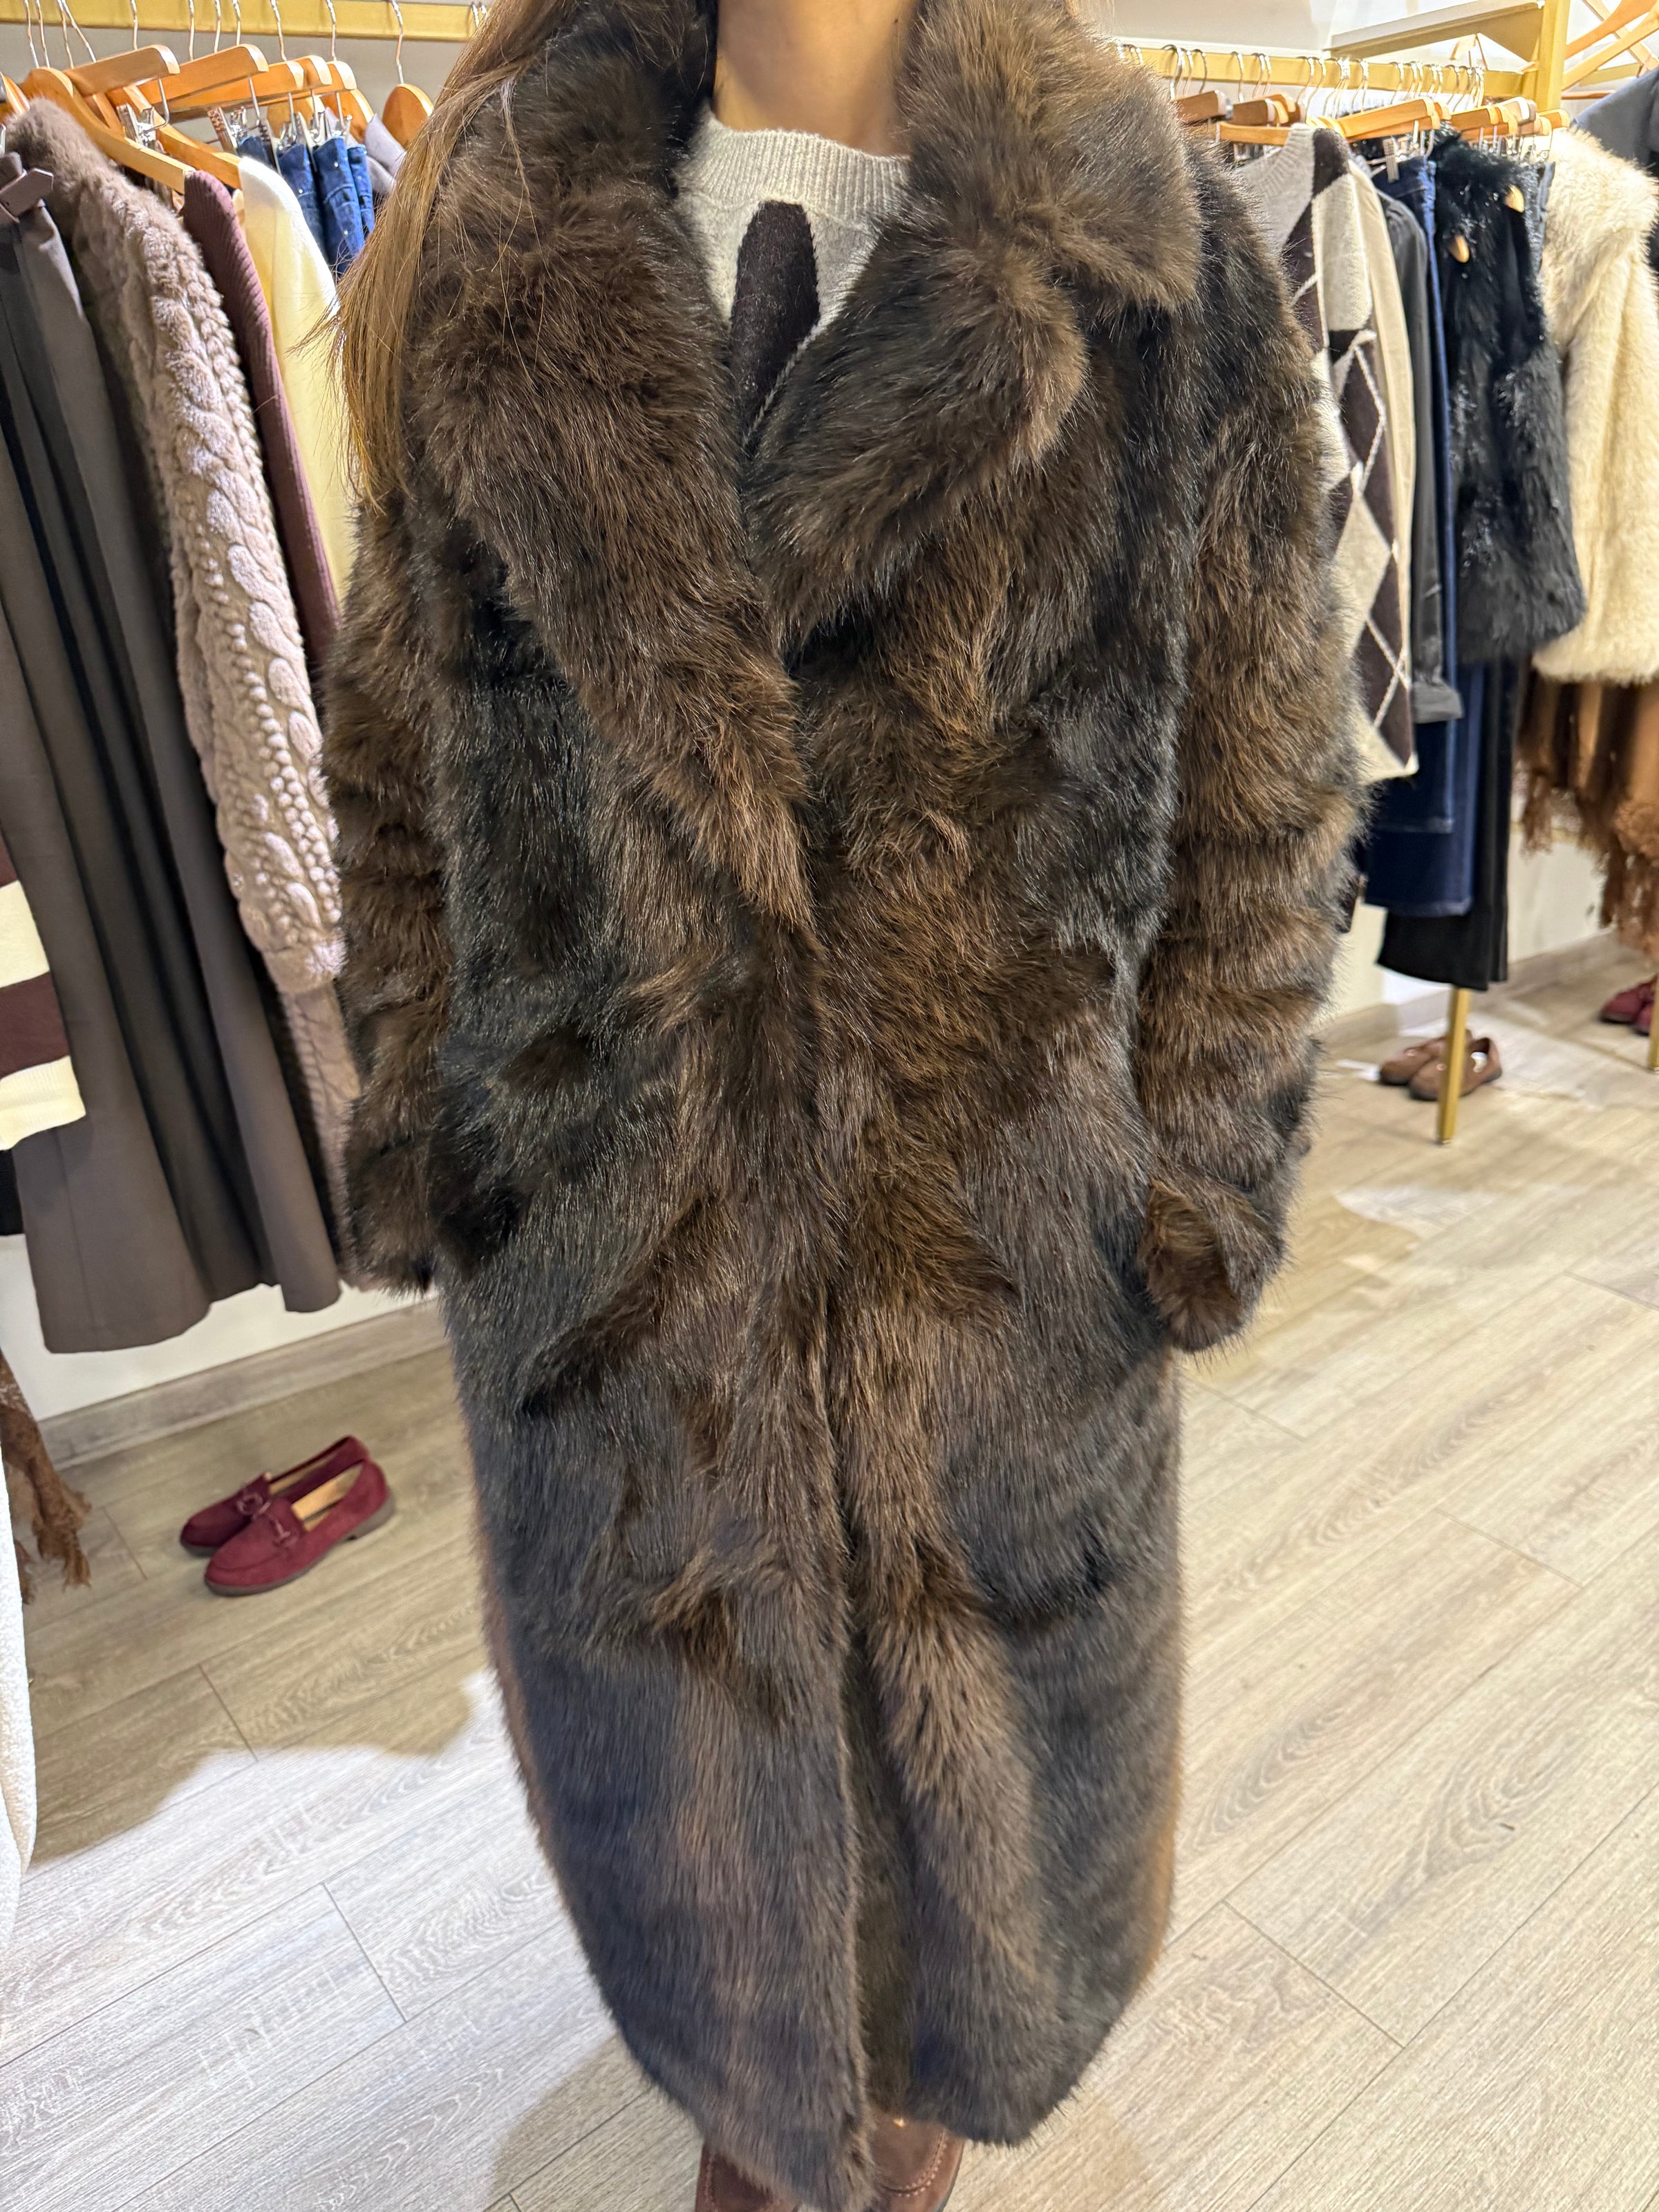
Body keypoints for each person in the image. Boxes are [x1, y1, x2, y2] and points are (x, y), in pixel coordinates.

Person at [328, 3, 1358, 2208]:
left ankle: (887, 2139)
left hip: (1001, 1314)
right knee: (703, 1881)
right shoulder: (492, 235)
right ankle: (764, 2122)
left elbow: (1264, 798)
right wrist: (440, 1132)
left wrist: (1195, 1181)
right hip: (620, 1337)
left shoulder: (1144, 264)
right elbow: (397, 772)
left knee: (955, 1929)